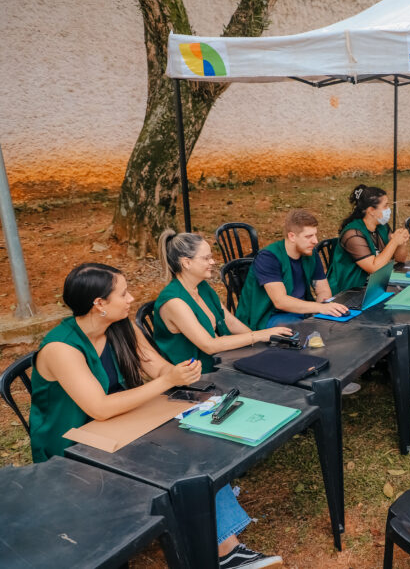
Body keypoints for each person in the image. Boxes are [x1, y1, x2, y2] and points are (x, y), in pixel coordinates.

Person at [28, 263, 281, 568]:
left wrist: (177, 372)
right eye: (123, 293)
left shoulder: (119, 326)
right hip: (73, 445)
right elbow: (99, 407)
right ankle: (227, 552)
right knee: (179, 455)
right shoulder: (61, 348)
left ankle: (224, 544)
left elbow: (156, 366)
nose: (131, 298)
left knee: (198, 437)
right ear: (99, 304)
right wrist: (166, 381)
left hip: (121, 424)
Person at [154, 231, 293, 373]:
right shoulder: (174, 302)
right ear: (186, 263)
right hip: (196, 378)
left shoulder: (201, 286)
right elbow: (209, 345)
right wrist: (258, 335)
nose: (212, 262)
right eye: (206, 258)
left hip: (220, 362)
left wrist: (262, 345)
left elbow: (229, 321)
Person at [236, 209, 349, 328]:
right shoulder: (268, 257)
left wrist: (325, 306)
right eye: (308, 236)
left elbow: (322, 289)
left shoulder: (310, 253)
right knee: (307, 331)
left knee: (337, 324)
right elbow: (280, 301)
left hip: (301, 312)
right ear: (292, 236)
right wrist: (321, 308)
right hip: (268, 317)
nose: (315, 241)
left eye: (315, 235)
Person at [327, 184, 410, 294]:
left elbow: (400, 259)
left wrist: (401, 241)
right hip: (349, 291)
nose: (389, 209)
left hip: (373, 286)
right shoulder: (352, 234)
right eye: (385, 206)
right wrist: (394, 242)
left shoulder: (382, 226)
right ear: (371, 210)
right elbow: (374, 267)